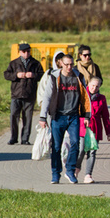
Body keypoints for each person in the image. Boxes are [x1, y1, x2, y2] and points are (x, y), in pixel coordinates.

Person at [39, 54, 92, 184]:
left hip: (74, 116)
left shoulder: (78, 77)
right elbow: (47, 97)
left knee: (75, 143)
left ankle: (70, 170)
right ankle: (55, 173)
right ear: (61, 64)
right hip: (58, 116)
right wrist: (43, 116)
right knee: (56, 146)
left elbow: (85, 96)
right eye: (67, 64)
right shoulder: (54, 77)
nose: (69, 67)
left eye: (71, 64)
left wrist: (86, 115)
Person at [3, 43, 44, 146]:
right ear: (20, 52)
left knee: (28, 117)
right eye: (24, 52)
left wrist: (33, 75)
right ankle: (13, 138)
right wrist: (16, 75)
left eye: (28, 51)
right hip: (16, 94)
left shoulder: (36, 63)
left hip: (29, 94)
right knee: (14, 116)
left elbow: (42, 76)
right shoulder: (14, 63)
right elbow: (6, 74)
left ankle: (25, 138)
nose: (26, 54)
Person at [75, 76, 110, 184]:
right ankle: (76, 170)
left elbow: (105, 116)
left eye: (97, 86)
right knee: (81, 149)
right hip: (82, 126)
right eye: (92, 85)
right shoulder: (81, 95)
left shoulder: (102, 98)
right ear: (88, 84)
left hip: (95, 127)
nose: (94, 88)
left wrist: (109, 132)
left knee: (92, 151)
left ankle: (88, 175)